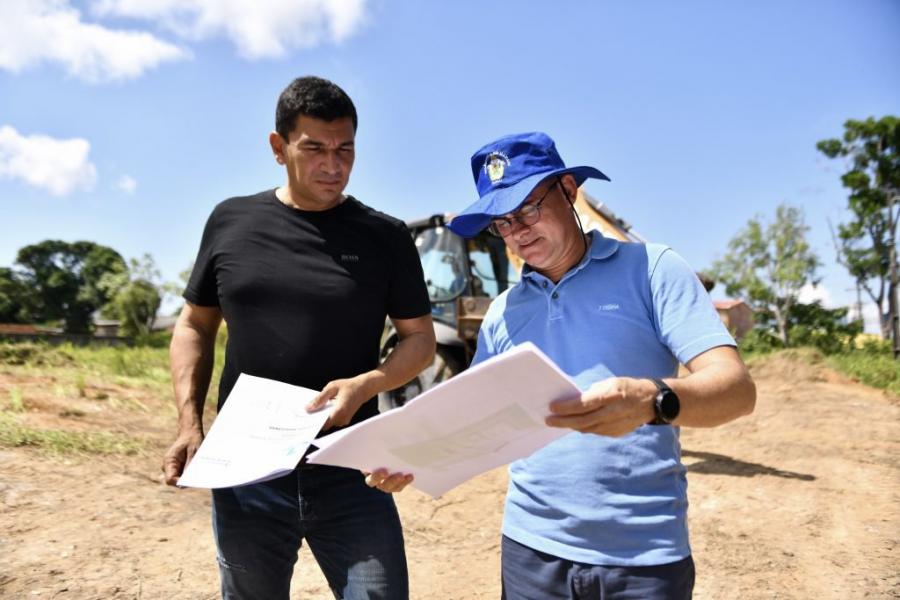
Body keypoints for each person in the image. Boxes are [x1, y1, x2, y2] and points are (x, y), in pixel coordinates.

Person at [447, 132, 757, 599]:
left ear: (569, 190)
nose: (519, 231)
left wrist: (653, 400)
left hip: (644, 557)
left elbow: (736, 390)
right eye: (503, 222)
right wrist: (409, 457)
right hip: (531, 552)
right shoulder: (501, 312)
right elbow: (479, 419)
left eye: (529, 208)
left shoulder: (653, 270)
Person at [162, 75, 435, 600]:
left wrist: (369, 382)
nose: (333, 165)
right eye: (314, 149)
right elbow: (194, 324)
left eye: (345, 149)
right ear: (278, 146)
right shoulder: (230, 221)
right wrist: (189, 423)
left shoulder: (385, 237)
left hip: (351, 465)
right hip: (247, 469)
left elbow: (419, 339)